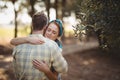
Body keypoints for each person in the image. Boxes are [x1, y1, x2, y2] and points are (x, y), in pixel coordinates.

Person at [12, 11, 68, 80]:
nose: (50, 33)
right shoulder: (33, 40)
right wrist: (28, 39)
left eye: (54, 32)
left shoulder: (56, 48)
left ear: (57, 36)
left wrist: (47, 70)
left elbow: (56, 78)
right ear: (45, 28)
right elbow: (12, 41)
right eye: (49, 30)